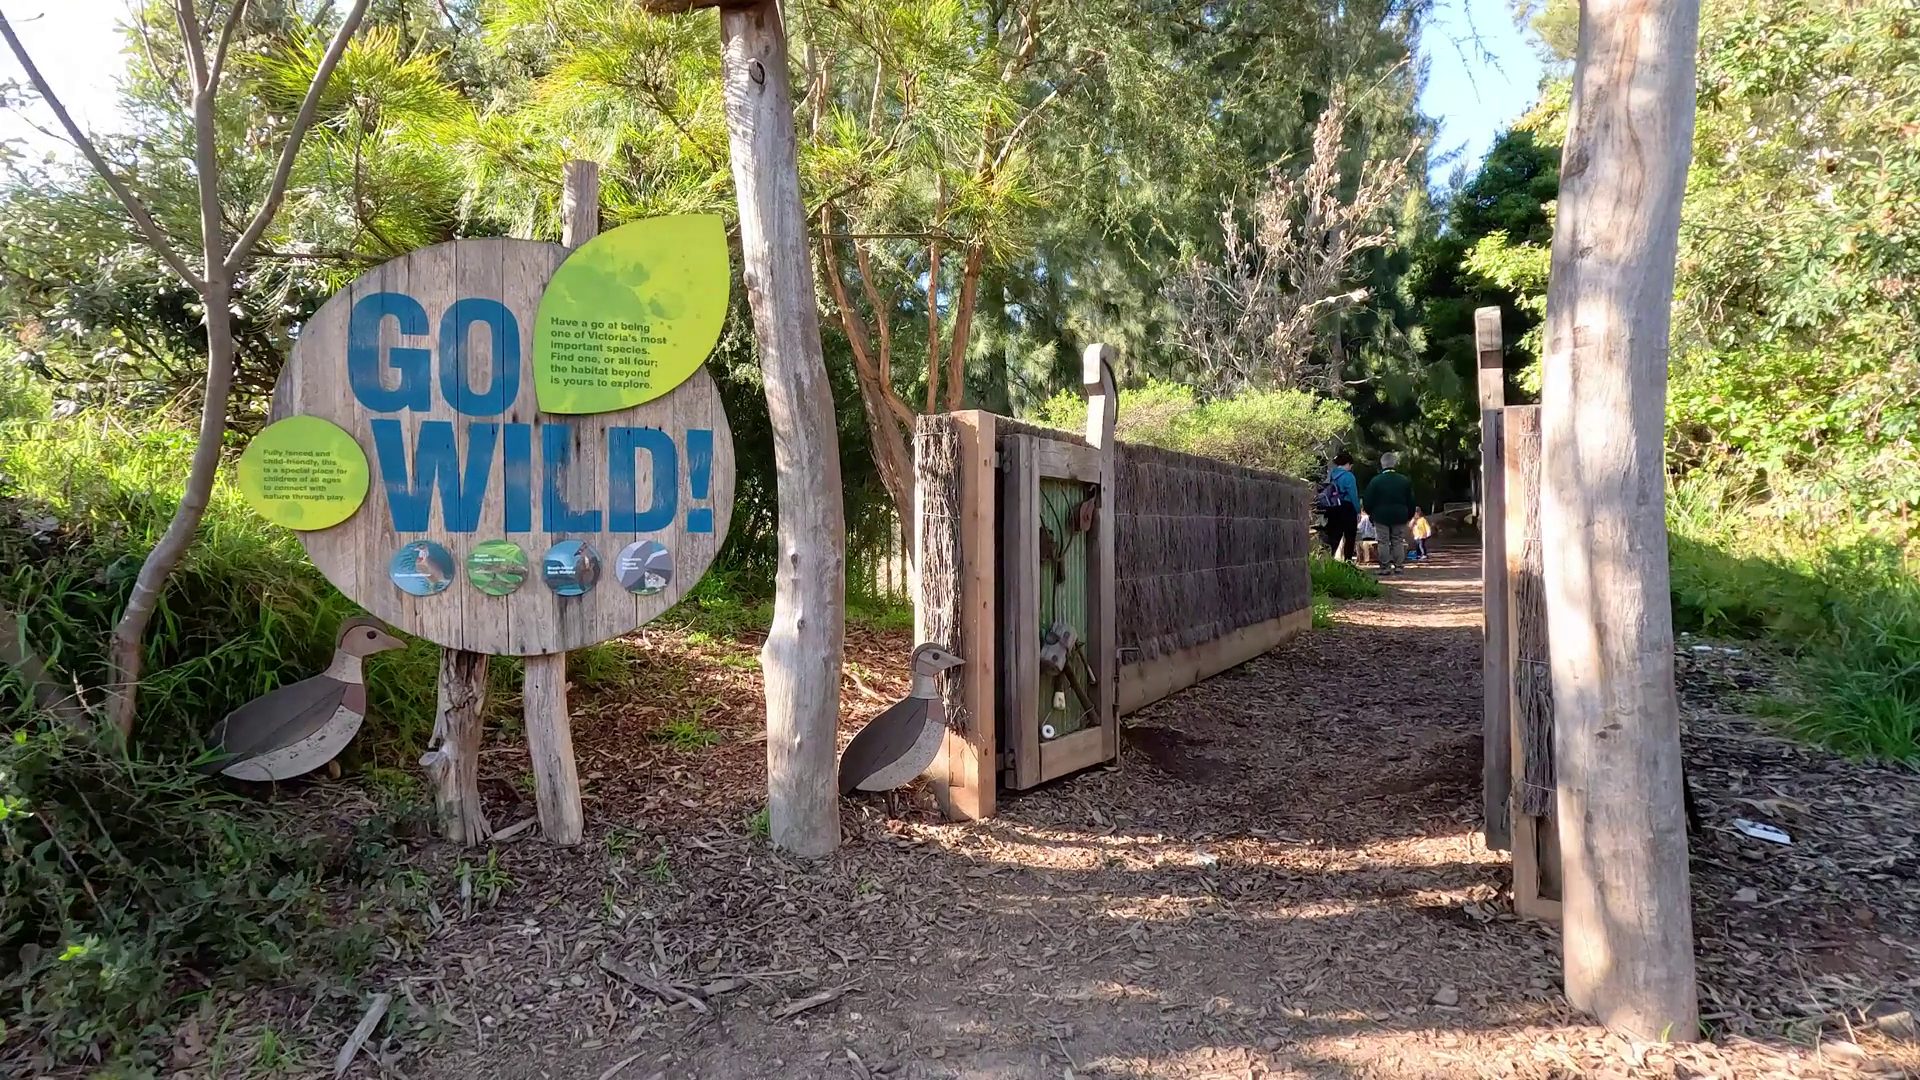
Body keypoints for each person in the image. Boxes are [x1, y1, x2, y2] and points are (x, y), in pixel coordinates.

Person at [1361, 452, 1416, 575]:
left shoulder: (1375, 481)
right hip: (1400, 515)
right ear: (1395, 464)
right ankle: (1399, 566)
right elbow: (1411, 500)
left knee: (1383, 541)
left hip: (1380, 515)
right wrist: (1409, 514)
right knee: (1398, 541)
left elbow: (1368, 499)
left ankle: (1384, 567)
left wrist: (1370, 513)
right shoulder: (1404, 480)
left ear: (1382, 464)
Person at [1315, 452, 1362, 561]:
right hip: (1347, 507)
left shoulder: (1331, 474)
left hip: (1333, 507)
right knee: (1350, 536)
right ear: (1348, 464)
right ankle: (1348, 561)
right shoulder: (1349, 476)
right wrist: (1358, 510)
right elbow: (1353, 494)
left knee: (1333, 536)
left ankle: (1328, 560)